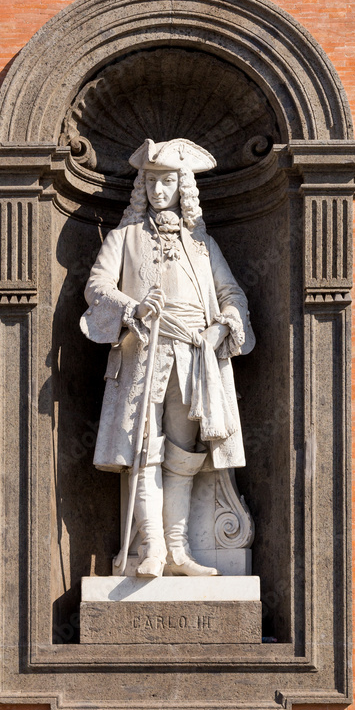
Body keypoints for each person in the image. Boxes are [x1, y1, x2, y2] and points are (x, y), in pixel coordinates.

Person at [80, 139, 254, 577]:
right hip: (144, 350)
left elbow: (231, 293)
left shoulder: (203, 245)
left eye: (168, 181)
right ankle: (152, 550)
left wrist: (222, 327)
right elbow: (97, 287)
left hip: (194, 354)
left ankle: (177, 551)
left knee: (183, 452)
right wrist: (132, 308)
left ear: (183, 186)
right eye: (152, 181)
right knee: (144, 451)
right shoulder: (123, 238)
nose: (159, 190)